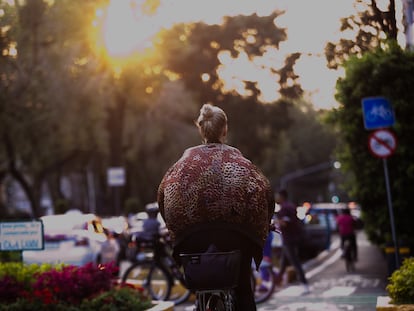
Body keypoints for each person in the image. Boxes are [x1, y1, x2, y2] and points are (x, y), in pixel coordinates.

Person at [157, 103, 274, 311]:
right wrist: (266, 223)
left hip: (192, 239)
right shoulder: (242, 163)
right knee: (243, 289)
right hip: (236, 238)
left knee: (200, 285)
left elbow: (162, 197)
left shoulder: (180, 165)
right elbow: (265, 192)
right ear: (225, 129)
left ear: (200, 129)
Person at [274, 189, 310, 294]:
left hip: (289, 239)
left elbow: (285, 223)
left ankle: (305, 284)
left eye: (277, 196)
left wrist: (275, 223)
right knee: (283, 262)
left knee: (295, 262)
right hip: (292, 237)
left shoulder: (284, 208)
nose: (276, 198)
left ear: (282, 197)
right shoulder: (291, 206)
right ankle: (276, 282)